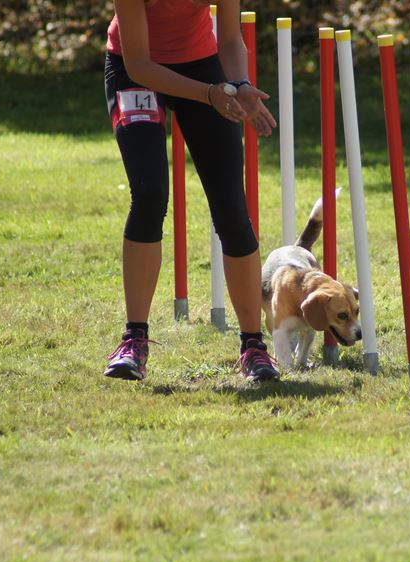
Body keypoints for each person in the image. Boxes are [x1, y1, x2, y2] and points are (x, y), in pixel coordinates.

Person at [102, 0, 280, 382]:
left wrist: (239, 84)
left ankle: (253, 346)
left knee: (231, 206)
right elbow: (140, 65)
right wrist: (211, 94)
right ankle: (134, 340)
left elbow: (230, 38)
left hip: (202, 63)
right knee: (149, 194)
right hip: (135, 71)